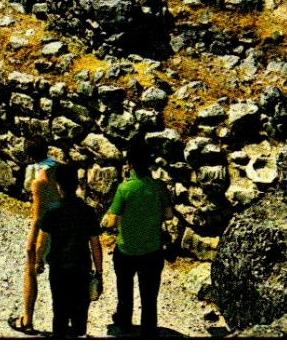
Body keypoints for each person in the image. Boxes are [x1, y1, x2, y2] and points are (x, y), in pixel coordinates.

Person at [104, 138, 169, 337]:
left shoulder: (124, 189)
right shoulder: (159, 187)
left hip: (126, 251)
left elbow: (111, 223)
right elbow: (169, 215)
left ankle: (124, 322)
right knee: (149, 295)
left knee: (125, 290)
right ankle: (149, 329)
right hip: (152, 251)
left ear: (129, 163)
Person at [39, 159, 103, 338]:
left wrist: (38, 262)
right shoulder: (88, 211)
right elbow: (96, 245)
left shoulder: (52, 210)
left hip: (59, 271)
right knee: (80, 315)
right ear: (77, 184)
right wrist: (99, 273)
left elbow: (42, 241)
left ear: (59, 186)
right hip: (81, 270)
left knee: (59, 311)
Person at [10, 139, 63, 333]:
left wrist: (31, 246)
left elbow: (37, 217)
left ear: (29, 155)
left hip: (47, 229)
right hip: (65, 226)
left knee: (30, 271)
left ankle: (27, 320)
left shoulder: (38, 179)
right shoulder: (60, 167)